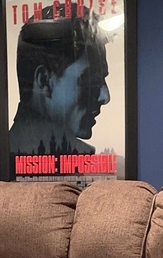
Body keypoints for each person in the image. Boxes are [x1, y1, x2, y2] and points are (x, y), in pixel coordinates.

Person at [6, 13, 110, 156]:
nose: (105, 97)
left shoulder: (6, 150)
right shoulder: (78, 158)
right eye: (90, 81)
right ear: (45, 81)